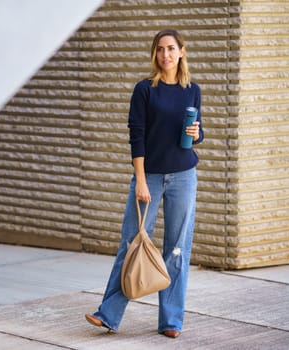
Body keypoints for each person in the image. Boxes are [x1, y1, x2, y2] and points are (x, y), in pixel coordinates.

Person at [85, 29, 204, 339]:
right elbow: (136, 136)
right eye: (160, 49)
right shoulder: (144, 90)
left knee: (177, 249)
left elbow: (196, 135)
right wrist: (140, 179)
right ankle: (108, 314)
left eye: (171, 48)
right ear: (155, 54)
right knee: (132, 242)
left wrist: (196, 134)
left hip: (184, 175)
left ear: (181, 52)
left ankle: (171, 320)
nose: (165, 54)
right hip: (148, 175)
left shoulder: (192, 90)